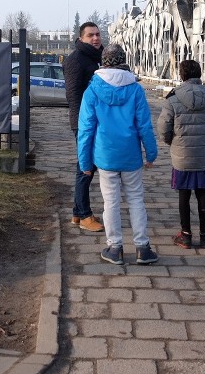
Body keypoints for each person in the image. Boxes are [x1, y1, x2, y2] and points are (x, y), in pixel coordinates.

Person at [77, 43, 159, 265]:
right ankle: (143, 248)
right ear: (123, 60)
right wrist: (151, 154)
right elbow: (144, 126)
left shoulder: (92, 89)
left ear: (103, 61)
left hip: (105, 157)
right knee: (136, 200)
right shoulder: (135, 89)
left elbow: (86, 129)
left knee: (110, 202)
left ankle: (115, 248)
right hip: (131, 156)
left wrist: (85, 161)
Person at [157, 59, 205, 249]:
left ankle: (185, 235)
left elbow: (163, 128)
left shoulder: (173, 99)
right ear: (199, 74)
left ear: (182, 75)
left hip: (180, 154)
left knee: (184, 194)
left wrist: (172, 141)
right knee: (202, 192)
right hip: (201, 154)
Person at [64, 22, 105, 232]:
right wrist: (85, 123)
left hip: (95, 121)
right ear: (81, 38)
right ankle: (85, 215)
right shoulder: (76, 60)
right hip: (83, 123)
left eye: (97, 34)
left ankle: (77, 214)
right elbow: (73, 96)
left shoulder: (97, 58)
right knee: (86, 167)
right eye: (91, 35)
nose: (96, 38)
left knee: (86, 166)